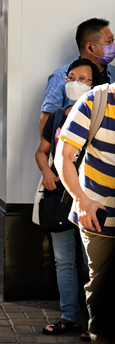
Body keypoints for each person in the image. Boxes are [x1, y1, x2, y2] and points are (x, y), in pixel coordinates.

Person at [35, 59, 99, 340]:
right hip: (59, 198)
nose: (74, 82)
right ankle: (70, 316)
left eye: (82, 78)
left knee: (92, 260)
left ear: (94, 85)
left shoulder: (101, 117)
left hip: (91, 198)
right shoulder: (59, 117)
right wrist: (47, 170)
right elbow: (42, 151)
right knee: (64, 259)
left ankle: (95, 321)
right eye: (70, 77)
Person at [55, 82, 115, 344]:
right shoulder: (95, 101)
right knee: (102, 292)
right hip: (100, 216)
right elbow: (63, 156)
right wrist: (81, 199)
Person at [40, 18, 115, 138]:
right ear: (90, 47)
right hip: (73, 150)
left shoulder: (113, 74)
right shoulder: (60, 77)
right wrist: (53, 154)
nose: (113, 46)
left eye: (113, 41)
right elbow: (46, 121)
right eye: (109, 42)